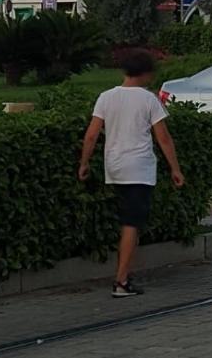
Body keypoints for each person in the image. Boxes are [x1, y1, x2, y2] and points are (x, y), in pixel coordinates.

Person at [78, 48, 185, 297]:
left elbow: (92, 134)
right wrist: (175, 169)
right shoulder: (149, 100)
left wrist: (84, 162)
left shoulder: (106, 97)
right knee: (131, 223)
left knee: (128, 219)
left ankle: (124, 276)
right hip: (139, 168)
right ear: (146, 73)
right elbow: (164, 138)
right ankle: (121, 281)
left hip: (114, 167)